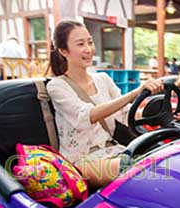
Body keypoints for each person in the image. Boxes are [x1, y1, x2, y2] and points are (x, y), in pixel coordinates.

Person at [47, 20, 163, 188]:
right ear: (63, 51)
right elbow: (88, 116)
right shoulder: (57, 86)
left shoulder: (103, 79)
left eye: (90, 42)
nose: (88, 49)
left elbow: (126, 114)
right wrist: (134, 92)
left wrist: (159, 113)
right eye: (80, 44)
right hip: (81, 161)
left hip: (115, 150)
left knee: (163, 157)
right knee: (141, 170)